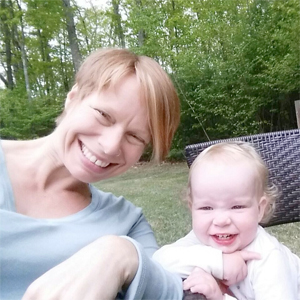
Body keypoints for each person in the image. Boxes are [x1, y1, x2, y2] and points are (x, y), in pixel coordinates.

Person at [0, 48, 183, 300]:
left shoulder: (126, 222)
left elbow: (174, 289)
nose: (110, 146)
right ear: (73, 98)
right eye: (104, 116)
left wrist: (121, 253)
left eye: (134, 136)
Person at [153, 142, 300, 300]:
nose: (221, 220)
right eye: (206, 208)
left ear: (260, 209)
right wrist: (220, 262)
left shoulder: (268, 258)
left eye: (237, 206)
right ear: (192, 207)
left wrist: (220, 298)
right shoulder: (200, 239)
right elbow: (157, 264)